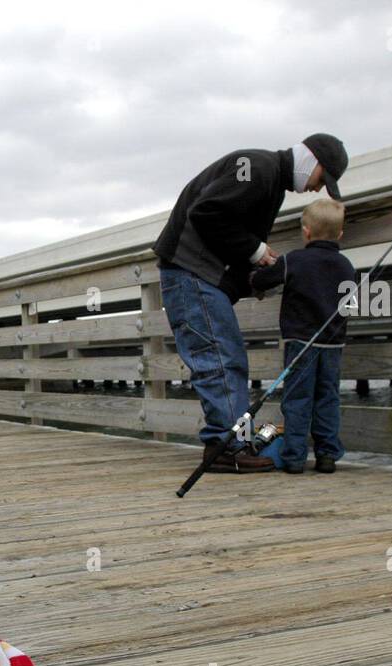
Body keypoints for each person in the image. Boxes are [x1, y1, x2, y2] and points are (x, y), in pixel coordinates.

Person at [152, 133, 348, 472]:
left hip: (200, 276)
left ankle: (232, 444)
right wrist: (256, 250)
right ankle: (226, 448)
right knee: (222, 360)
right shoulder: (258, 168)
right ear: (312, 161)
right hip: (190, 273)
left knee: (228, 361)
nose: (318, 188)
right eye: (322, 179)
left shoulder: (267, 177)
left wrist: (250, 279)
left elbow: (224, 231)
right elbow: (207, 213)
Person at [250, 196, 357, 473]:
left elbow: (262, 280)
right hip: (333, 345)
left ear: (306, 231)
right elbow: (350, 305)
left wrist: (253, 277)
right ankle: (327, 456)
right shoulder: (347, 266)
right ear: (340, 234)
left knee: (298, 398)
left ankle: (295, 457)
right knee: (328, 398)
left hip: (301, 343)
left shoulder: (293, 260)